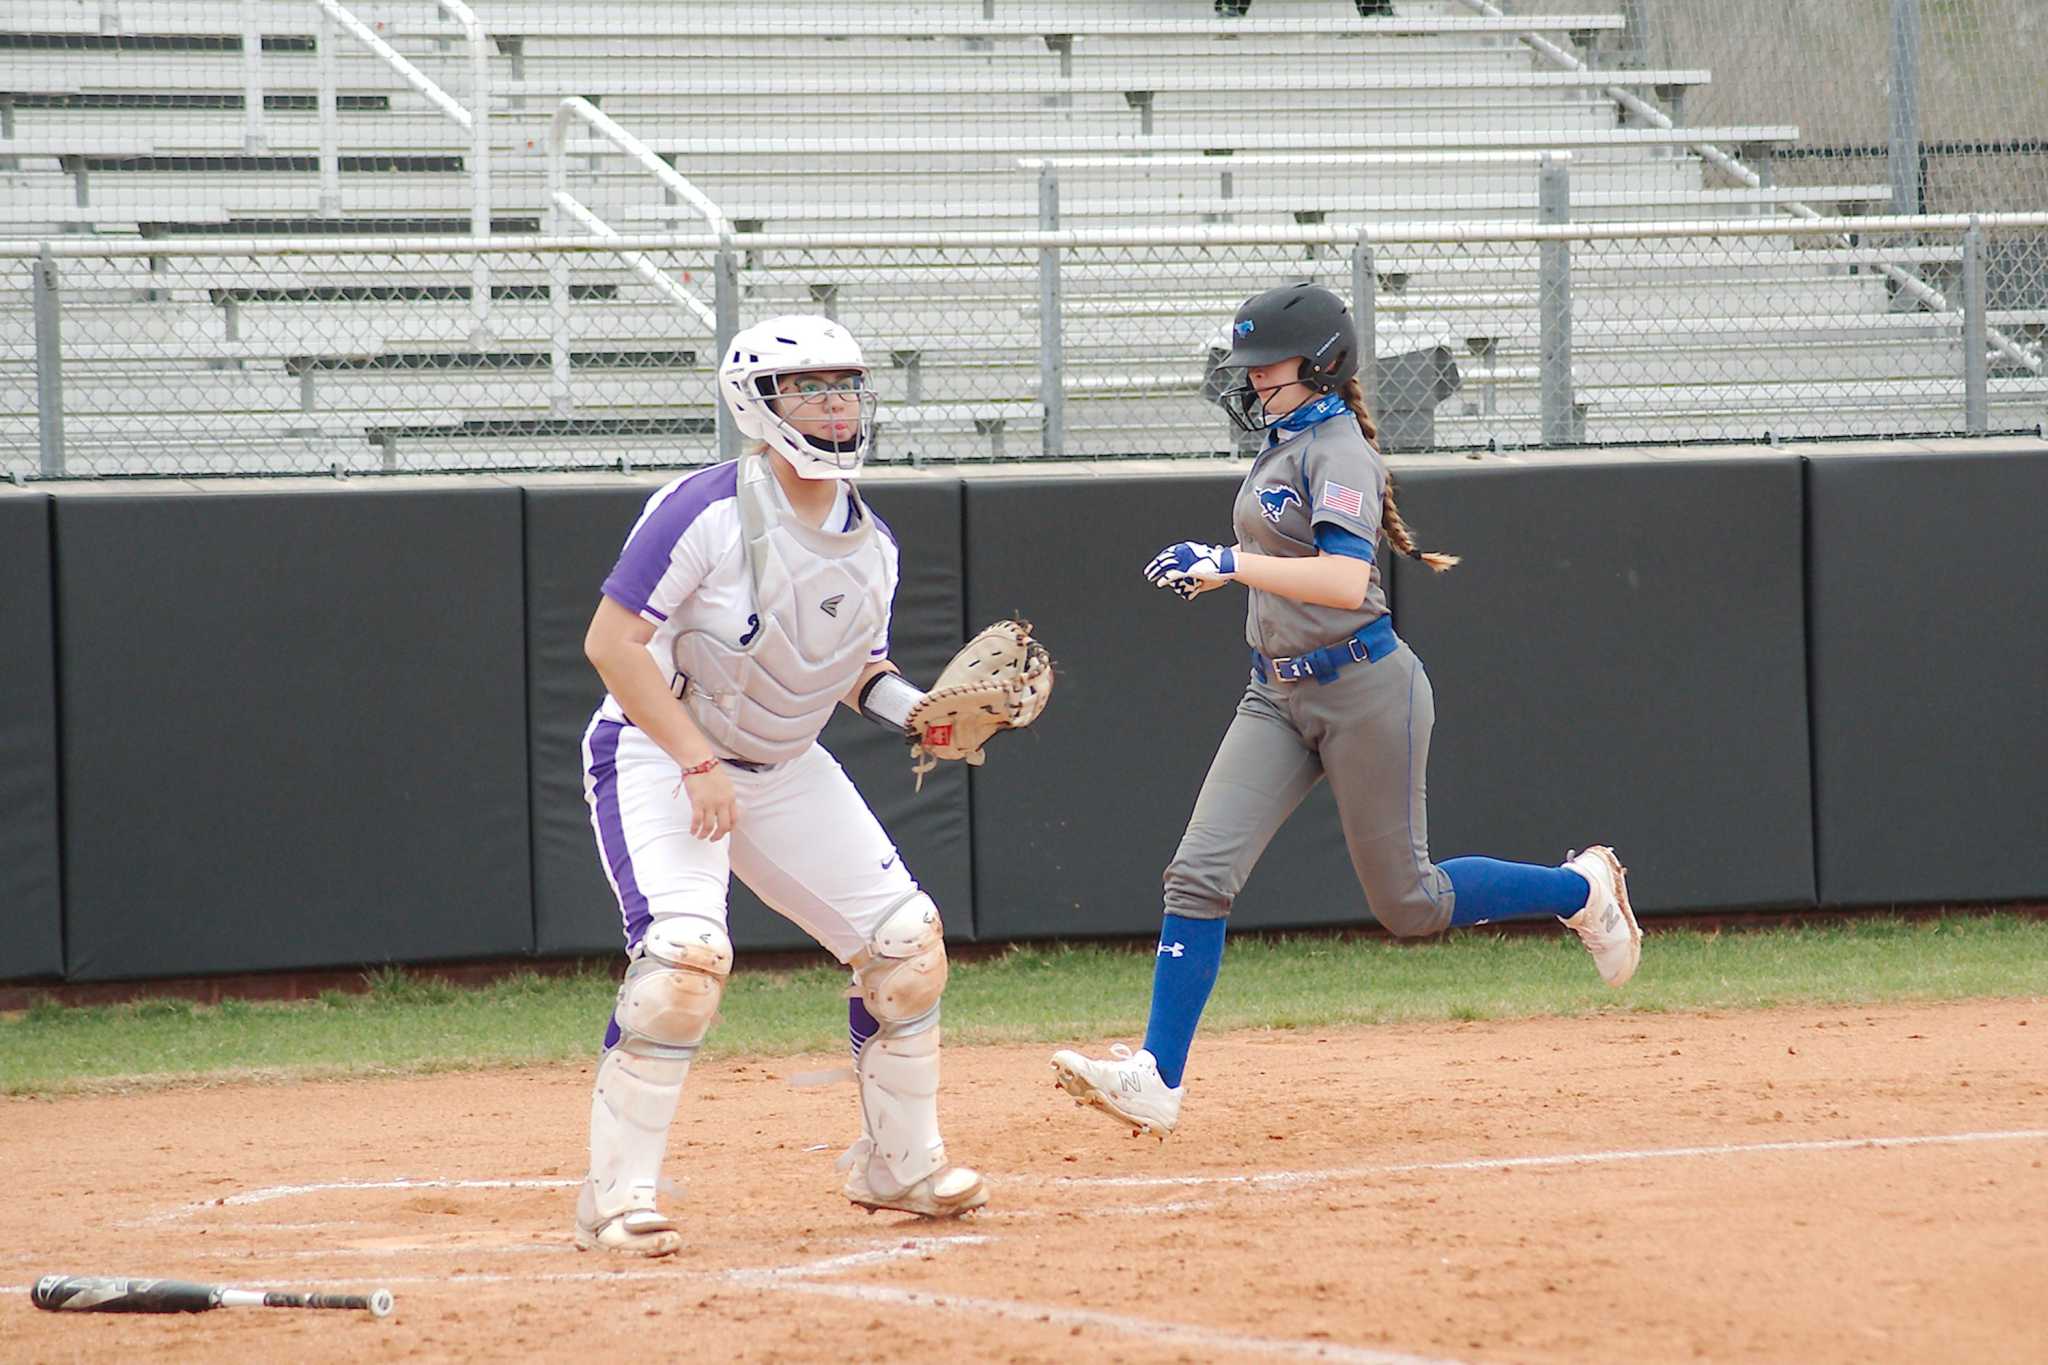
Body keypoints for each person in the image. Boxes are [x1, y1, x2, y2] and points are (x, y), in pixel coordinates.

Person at [1050, 282, 1641, 1139]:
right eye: (1248, 365)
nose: (1253, 380)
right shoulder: (1285, 441)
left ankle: (1582, 889)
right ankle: (1157, 1076)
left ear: (1323, 365)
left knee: (1409, 904)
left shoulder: (1340, 451)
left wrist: (1228, 561)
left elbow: (1339, 580)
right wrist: (1228, 569)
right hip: (1277, 692)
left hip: (1366, 689)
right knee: (1197, 874)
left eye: (1270, 365)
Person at [575, 315, 986, 1256]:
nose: (835, 405)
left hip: (784, 763)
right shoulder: (701, 508)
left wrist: (925, 714)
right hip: (659, 751)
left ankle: (899, 1165)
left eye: (846, 387)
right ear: (757, 406)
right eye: (810, 388)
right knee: (683, 962)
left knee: (906, 946)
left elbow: (853, 669)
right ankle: (615, 1196)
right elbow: (612, 646)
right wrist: (696, 760)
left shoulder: (872, 542)